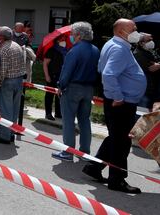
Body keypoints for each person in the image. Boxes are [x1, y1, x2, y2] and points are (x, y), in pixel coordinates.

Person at [82, 18, 146, 194]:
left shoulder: (115, 44)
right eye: (133, 29)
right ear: (120, 32)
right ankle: (117, 179)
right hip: (121, 102)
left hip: (120, 101)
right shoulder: (118, 49)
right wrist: (117, 96)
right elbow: (109, 75)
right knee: (122, 142)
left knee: (115, 137)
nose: (136, 32)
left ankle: (94, 167)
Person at [52, 22, 100, 161]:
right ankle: (84, 152)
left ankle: (68, 152)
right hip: (89, 88)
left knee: (68, 121)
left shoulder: (74, 50)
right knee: (85, 120)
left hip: (73, 88)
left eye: (72, 34)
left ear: (79, 35)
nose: (71, 37)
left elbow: (66, 71)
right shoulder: (95, 49)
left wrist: (61, 86)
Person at [0, 26, 25, 144]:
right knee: (14, 110)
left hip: (8, 82)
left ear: (1, 37)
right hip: (19, 80)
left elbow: (2, 71)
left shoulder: (4, 49)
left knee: (6, 110)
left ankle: (4, 136)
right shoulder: (16, 46)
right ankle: (11, 133)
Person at [43, 35, 68, 120]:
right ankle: (48, 113)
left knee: (60, 94)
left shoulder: (65, 51)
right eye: (62, 39)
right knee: (50, 95)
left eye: (64, 39)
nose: (64, 40)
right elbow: (45, 64)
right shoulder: (52, 50)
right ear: (57, 40)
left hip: (62, 76)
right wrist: (47, 76)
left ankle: (58, 112)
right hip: (52, 75)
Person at [133, 39, 160, 110]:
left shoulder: (148, 52)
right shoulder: (138, 54)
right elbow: (152, 68)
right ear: (141, 43)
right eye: (148, 40)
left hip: (151, 88)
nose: (151, 42)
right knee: (142, 111)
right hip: (144, 90)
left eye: (151, 40)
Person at [12, 22, 30, 127]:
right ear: (15, 28)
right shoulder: (10, 35)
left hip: (22, 62)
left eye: (22, 28)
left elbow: (29, 47)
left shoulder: (25, 37)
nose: (21, 30)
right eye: (19, 28)